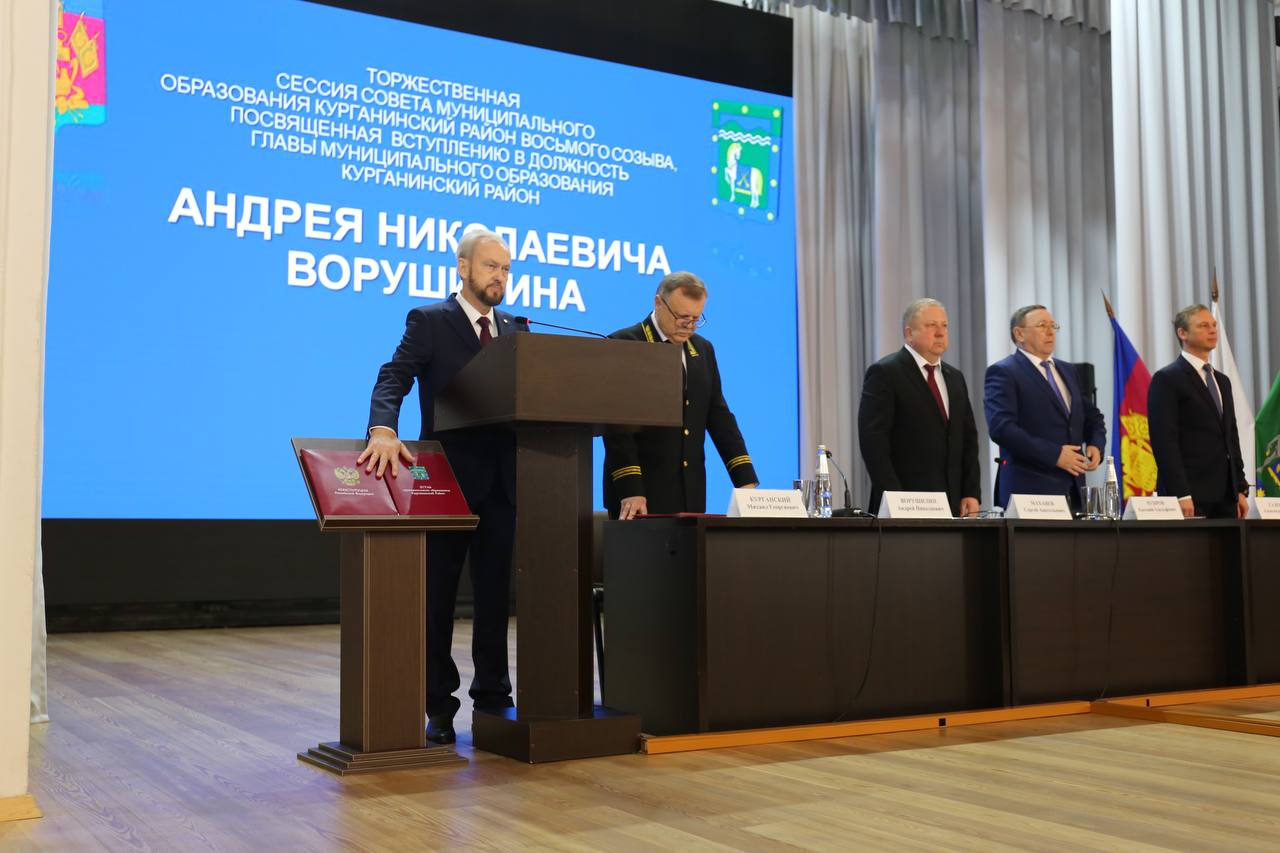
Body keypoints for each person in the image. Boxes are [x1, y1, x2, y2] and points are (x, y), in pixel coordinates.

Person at [358, 228, 528, 745]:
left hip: (504, 485)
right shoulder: (430, 321)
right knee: (437, 600)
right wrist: (383, 428)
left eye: (506, 269)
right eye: (491, 266)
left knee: (495, 599)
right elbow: (395, 376)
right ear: (463, 266)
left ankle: (494, 699)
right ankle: (438, 704)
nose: (499, 277)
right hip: (445, 483)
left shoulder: (515, 327)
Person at [603, 271, 757, 519]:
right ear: (658, 303)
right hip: (640, 495)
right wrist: (631, 489)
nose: (689, 326)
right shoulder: (624, 343)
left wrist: (745, 481)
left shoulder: (703, 349)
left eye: (696, 319)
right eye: (682, 317)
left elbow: (719, 417)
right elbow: (617, 427)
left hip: (690, 494)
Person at [857, 298, 981, 517]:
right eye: (931, 325)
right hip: (905, 503)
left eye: (944, 326)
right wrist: (895, 498)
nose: (940, 333)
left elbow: (968, 439)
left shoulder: (955, 377)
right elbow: (873, 442)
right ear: (909, 333)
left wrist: (971, 492)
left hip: (952, 505)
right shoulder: (886, 372)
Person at [984, 305, 1106, 509]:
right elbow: (1002, 428)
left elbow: (1092, 416)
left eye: (1053, 326)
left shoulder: (1068, 371)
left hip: (1074, 491)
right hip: (1029, 491)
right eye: (1042, 326)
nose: (1050, 332)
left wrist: (1096, 444)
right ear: (1019, 334)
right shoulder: (1004, 372)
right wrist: (1055, 455)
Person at [1148, 304, 1250, 519]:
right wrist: (1180, 493)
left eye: (1213, 325)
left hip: (1226, 496)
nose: (1212, 330)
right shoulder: (1167, 379)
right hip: (1190, 496)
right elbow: (1164, 442)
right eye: (1203, 326)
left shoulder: (1222, 381)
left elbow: (1231, 437)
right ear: (1182, 333)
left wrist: (1240, 488)